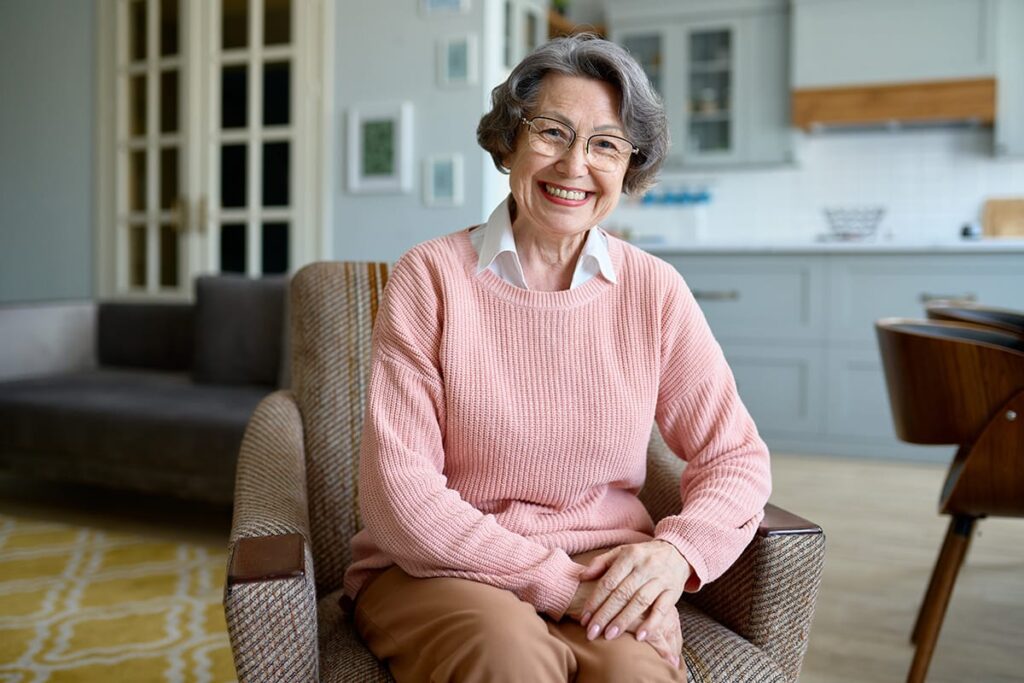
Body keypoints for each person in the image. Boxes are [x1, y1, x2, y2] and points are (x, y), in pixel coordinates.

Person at [343, 33, 771, 682]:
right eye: (552, 132)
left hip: (606, 567)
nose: (575, 166)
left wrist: (674, 555)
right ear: (509, 141)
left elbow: (735, 455)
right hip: (439, 568)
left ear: (630, 167)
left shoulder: (653, 290)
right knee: (508, 655)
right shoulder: (429, 277)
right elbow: (400, 493)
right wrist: (562, 585)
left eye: (605, 144)